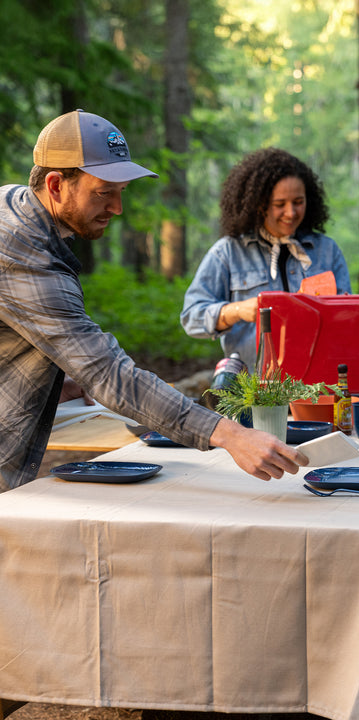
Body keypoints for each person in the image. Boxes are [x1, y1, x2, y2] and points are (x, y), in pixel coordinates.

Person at [0, 109, 307, 493]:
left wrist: (55, 375)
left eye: (121, 192)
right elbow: (108, 373)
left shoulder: (17, 211)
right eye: (103, 193)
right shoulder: (19, 248)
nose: (117, 208)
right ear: (57, 184)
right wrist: (228, 434)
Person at [181, 148, 352, 369]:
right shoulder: (228, 252)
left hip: (317, 384)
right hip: (252, 389)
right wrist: (237, 310)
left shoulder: (327, 251)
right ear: (259, 205)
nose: (291, 213)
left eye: (298, 202)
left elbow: (348, 320)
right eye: (280, 204)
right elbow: (191, 317)